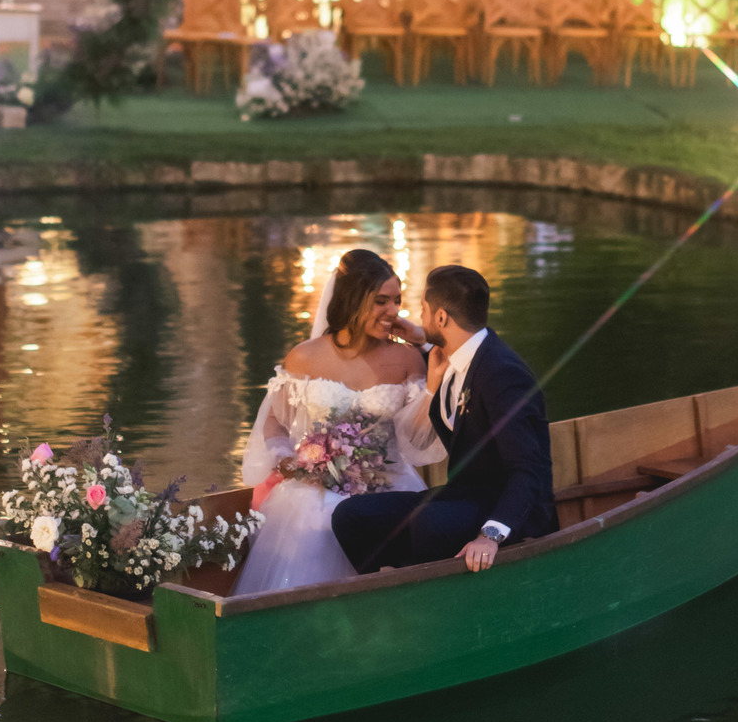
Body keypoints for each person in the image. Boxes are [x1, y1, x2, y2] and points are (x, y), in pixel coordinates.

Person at [237, 249, 445, 595]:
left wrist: (428, 367)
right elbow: (275, 422)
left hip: (388, 488)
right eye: (381, 301)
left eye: (397, 300)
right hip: (314, 492)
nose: (393, 311)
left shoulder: (408, 358)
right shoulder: (304, 356)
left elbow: (420, 436)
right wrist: (287, 458)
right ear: (352, 300)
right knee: (313, 531)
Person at [332, 263, 556, 576]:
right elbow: (440, 351)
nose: (418, 318)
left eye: (423, 310)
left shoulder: (503, 373)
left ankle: (429, 602)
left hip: (509, 507)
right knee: (352, 515)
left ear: (441, 317)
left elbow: (528, 469)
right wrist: (421, 338)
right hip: (464, 495)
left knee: (431, 523)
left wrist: (490, 535)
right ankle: (384, 595)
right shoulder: (456, 356)